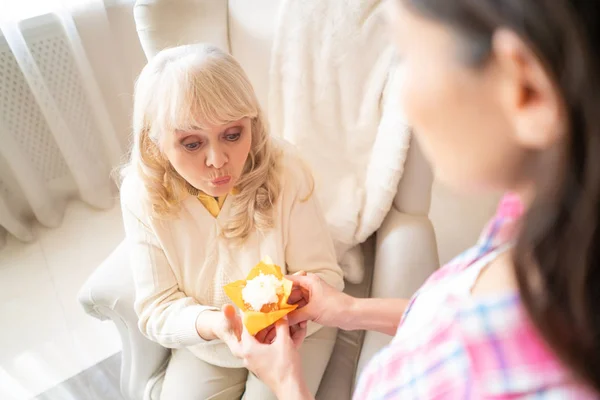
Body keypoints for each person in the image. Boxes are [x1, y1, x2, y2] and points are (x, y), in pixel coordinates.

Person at [238, 0, 600, 398]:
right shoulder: (536, 214)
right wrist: (347, 310)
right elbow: (451, 315)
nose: (403, 99)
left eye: (408, 56)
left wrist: (288, 384)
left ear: (525, 88)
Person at [120, 44, 344, 400]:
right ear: (156, 143)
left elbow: (327, 278)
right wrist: (216, 325)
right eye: (192, 144)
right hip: (208, 346)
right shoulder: (141, 194)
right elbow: (156, 309)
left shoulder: (286, 170)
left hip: (297, 334)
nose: (217, 160)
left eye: (232, 134)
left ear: (251, 124)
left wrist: (282, 309)